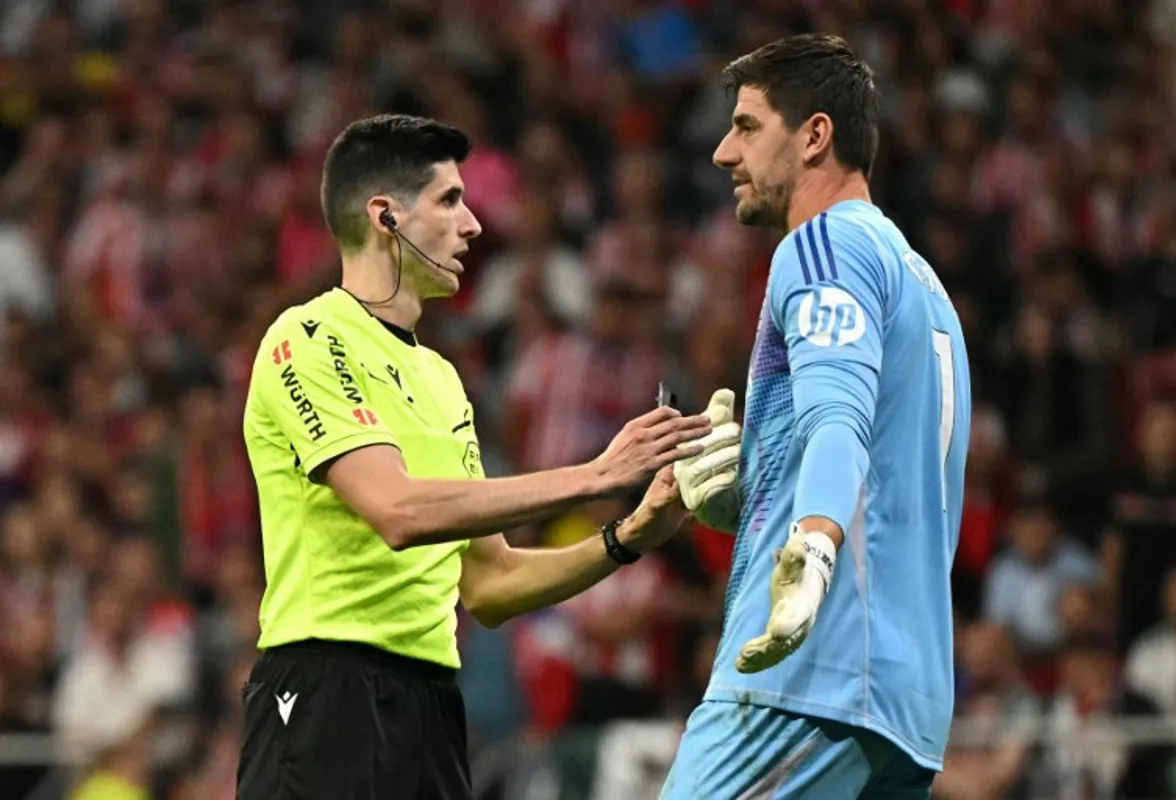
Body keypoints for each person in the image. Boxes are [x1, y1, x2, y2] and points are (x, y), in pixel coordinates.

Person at [234, 114, 741, 800]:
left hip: (432, 705)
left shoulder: (442, 381)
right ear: (385, 217)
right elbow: (397, 509)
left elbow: (491, 584)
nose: (473, 225)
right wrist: (596, 474)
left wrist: (624, 538)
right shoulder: (309, 337)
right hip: (328, 692)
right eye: (449, 201)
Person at [661, 35, 972, 798]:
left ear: (814, 135)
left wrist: (812, 551)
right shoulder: (921, 283)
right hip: (907, 705)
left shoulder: (823, 246)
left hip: (809, 681)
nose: (722, 153)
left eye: (746, 126)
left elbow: (839, 420)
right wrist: (755, 489)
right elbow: (884, 474)